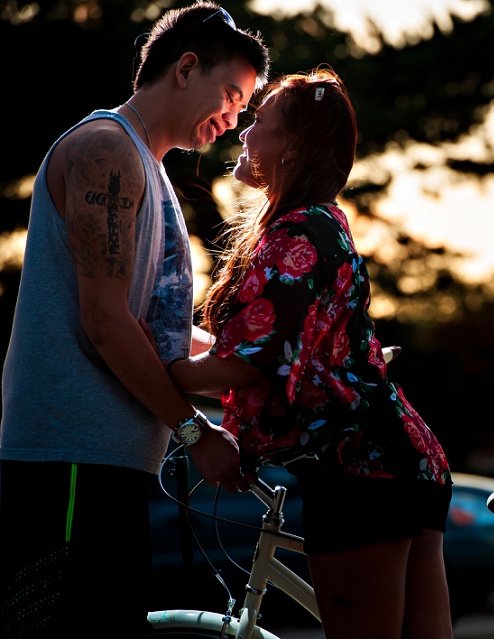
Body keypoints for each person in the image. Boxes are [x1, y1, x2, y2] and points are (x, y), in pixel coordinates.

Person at [0, 3, 269, 637]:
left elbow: (157, 335)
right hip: (66, 460)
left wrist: (263, 373)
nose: (233, 121)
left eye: (243, 109)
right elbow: (104, 321)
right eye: (231, 96)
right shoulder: (106, 152)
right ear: (186, 68)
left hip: (108, 462)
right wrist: (192, 431)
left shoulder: (149, 171)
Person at [159, 66, 455, 639]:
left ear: (293, 146)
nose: (244, 129)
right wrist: (178, 356)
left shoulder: (293, 236)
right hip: (405, 460)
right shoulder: (325, 222)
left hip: (357, 473)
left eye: (261, 121)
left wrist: (152, 369)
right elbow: (252, 350)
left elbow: (242, 365)